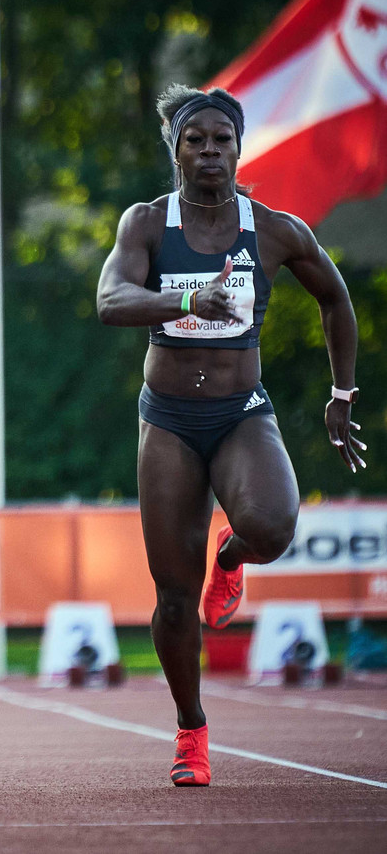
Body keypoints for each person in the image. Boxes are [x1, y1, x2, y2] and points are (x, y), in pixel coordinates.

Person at [97, 85, 364, 786]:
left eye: (222, 140)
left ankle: (234, 555)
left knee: (274, 527)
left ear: (238, 148)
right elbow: (110, 301)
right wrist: (189, 299)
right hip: (170, 421)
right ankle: (191, 729)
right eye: (196, 140)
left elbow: (335, 298)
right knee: (175, 600)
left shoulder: (273, 229)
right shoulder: (149, 224)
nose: (209, 151)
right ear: (176, 149)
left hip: (242, 410)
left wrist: (342, 393)